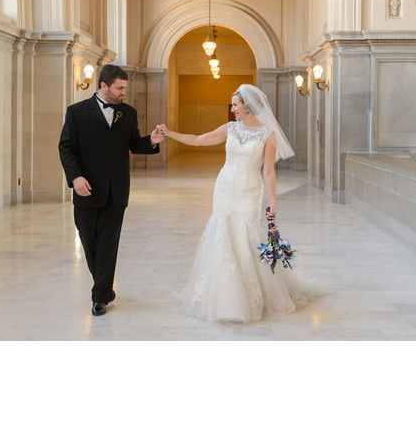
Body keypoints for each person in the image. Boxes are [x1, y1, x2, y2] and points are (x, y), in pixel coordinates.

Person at [160, 84, 314, 323]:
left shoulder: (267, 134)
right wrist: (170, 133)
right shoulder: (229, 129)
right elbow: (199, 140)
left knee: (247, 236)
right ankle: (221, 293)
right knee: (222, 234)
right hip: (225, 187)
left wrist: (273, 201)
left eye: (235, 105)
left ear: (249, 107)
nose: (232, 110)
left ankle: (250, 294)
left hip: (249, 190)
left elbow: (269, 171)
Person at [58, 64, 164, 316]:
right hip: (86, 189)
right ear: (103, 86)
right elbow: (66, 148)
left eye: (125, 87)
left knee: (108, 244)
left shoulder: (127, 113)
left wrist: (150, 141)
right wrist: (76, 178)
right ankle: (103, 286)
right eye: (119, 87)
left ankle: (100, 295)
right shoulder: (76, 112)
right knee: (89, 243)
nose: (123, 92)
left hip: (116, 191)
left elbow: (132, 144)